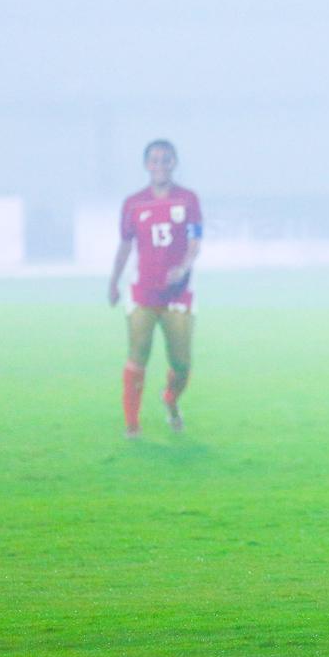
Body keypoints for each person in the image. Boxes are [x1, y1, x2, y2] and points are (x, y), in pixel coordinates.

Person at [108, 140, 202, 439]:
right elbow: (125, 245)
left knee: (181, 364)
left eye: (165, 159)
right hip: (142, 292)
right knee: (137, 356)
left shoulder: (188, 200)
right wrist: (113, 281)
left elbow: (195, 241)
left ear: (174, 162)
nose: (160, 165)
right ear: (146, 164)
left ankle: (171, 399)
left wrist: (184, 267)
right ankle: (132, 424)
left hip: (177, 294)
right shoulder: (133, 203)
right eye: (154, 160)